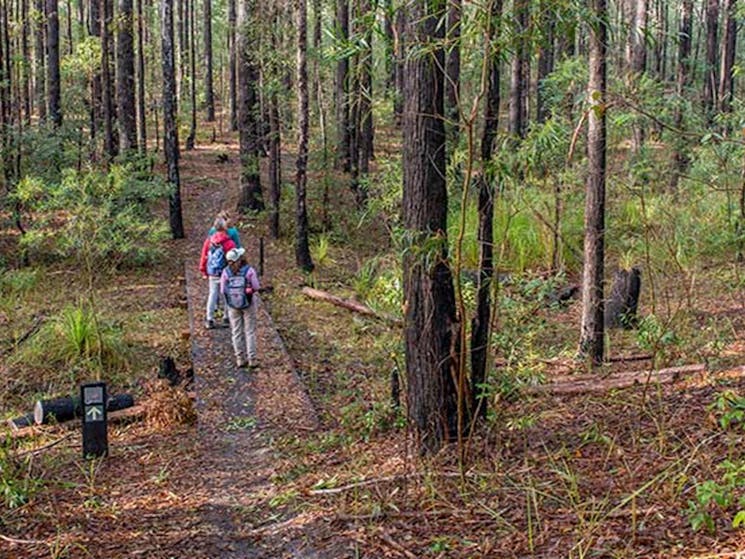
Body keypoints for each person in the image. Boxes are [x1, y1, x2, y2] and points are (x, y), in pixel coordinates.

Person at [221, 247, 260, 369]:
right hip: (248, 303)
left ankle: (240, 359)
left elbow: (223, 290)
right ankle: (252, 359)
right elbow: (256, 287)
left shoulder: (226, 272)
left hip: (232, 305)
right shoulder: (249, 271)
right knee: (250, 331)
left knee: (236, 332)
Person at [199, 217, 236, 329]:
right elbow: (234, 259)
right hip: (226, 272)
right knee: (226, 295)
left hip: (213, 273)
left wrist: (203, 270)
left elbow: (204, 257)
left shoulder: (209, 241)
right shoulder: (229, 242)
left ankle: (210, 319)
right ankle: (226, 317)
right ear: (225, 227)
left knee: (213, 294)